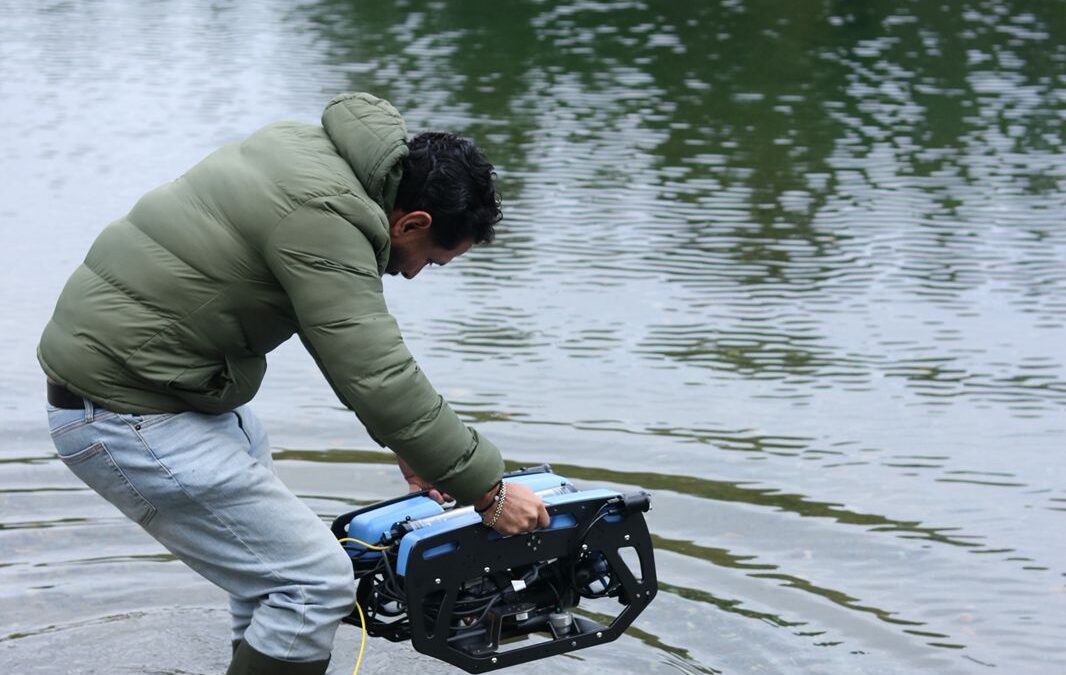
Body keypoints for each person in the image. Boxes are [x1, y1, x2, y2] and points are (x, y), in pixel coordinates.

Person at [37, 92, 549, 674]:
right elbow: (375, 370)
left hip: (172, 391)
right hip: (126, 410)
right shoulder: (326, 214)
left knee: (273, 582)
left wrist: (415, 447)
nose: (412, 273)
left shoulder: (306, 153)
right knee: (315, 585)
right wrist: (489, 490)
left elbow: (346, 347)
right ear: (413, 222)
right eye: (429, 259)